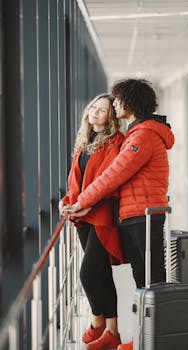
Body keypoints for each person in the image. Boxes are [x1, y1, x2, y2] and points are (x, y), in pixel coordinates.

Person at [63, 79, 175, 350]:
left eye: (116, 101)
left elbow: (114, 175)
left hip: (143, 214)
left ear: (129, 102)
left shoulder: (143, 135)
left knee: (150, 280)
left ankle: (151, 340)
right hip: (136, 213)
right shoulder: (139, 132)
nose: (113, 105)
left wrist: (82, 202)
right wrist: (77, 201)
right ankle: (143, 339)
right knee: (144, 280)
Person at [59, 93, 124, 350]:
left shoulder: (115, 141)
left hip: (100, 215)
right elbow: (77, 179)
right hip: (81, 215)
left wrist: (86, 204)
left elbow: (107, 180)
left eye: (103, 109)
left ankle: (98, 323)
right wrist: (67, 201)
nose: (96, 111)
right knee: (100, 272)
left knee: (87, 273)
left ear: (111, 117)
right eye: (95, 106)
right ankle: (112, 332)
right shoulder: (85, 142)